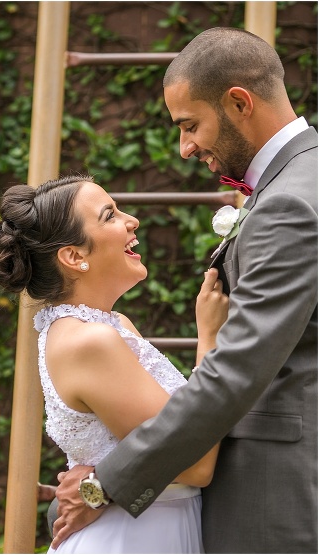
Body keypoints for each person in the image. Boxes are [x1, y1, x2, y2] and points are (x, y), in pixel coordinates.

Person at [51, 27, 318, 554]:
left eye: (191, 125)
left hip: (272, 495)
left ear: (239, 102)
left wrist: (104, 483)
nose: (185, 147)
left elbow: (236, 372)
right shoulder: (297, 183)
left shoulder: (288, 205)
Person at [0, 175, 229, 552]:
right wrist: (209, 338)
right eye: (109, 215)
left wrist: (97, 485)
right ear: (75, 257)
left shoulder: (109, 325)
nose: (132, 221)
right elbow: (194, 465)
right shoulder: (89, 341)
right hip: (133, 537)